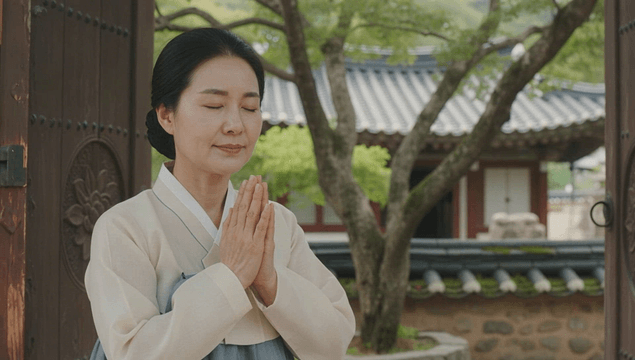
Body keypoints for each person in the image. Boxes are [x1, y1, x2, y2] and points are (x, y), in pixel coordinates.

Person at [85, 28, 356, 360]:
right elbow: (131, 353)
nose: (235, 125)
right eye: (214, 105)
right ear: (167, 115)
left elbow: (334, 342)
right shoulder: (125, 228)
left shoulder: (278, 223)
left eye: (250, 107)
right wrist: (232, 277)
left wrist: (270, 281)